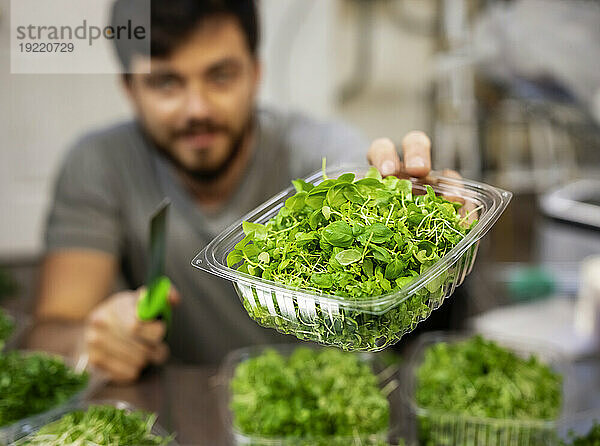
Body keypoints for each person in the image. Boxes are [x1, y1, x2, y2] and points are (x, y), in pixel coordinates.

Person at [29, 0, 435, 383]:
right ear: (129, 88)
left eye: (220, 76)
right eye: (165, 82)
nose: (197, 109)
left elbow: (394, 267)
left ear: (256, 73)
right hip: (185, 409)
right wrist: (89, 342)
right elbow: (48, 335)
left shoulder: (321, 153)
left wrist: (422, 221)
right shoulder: (100, 163)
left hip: (330, 405)